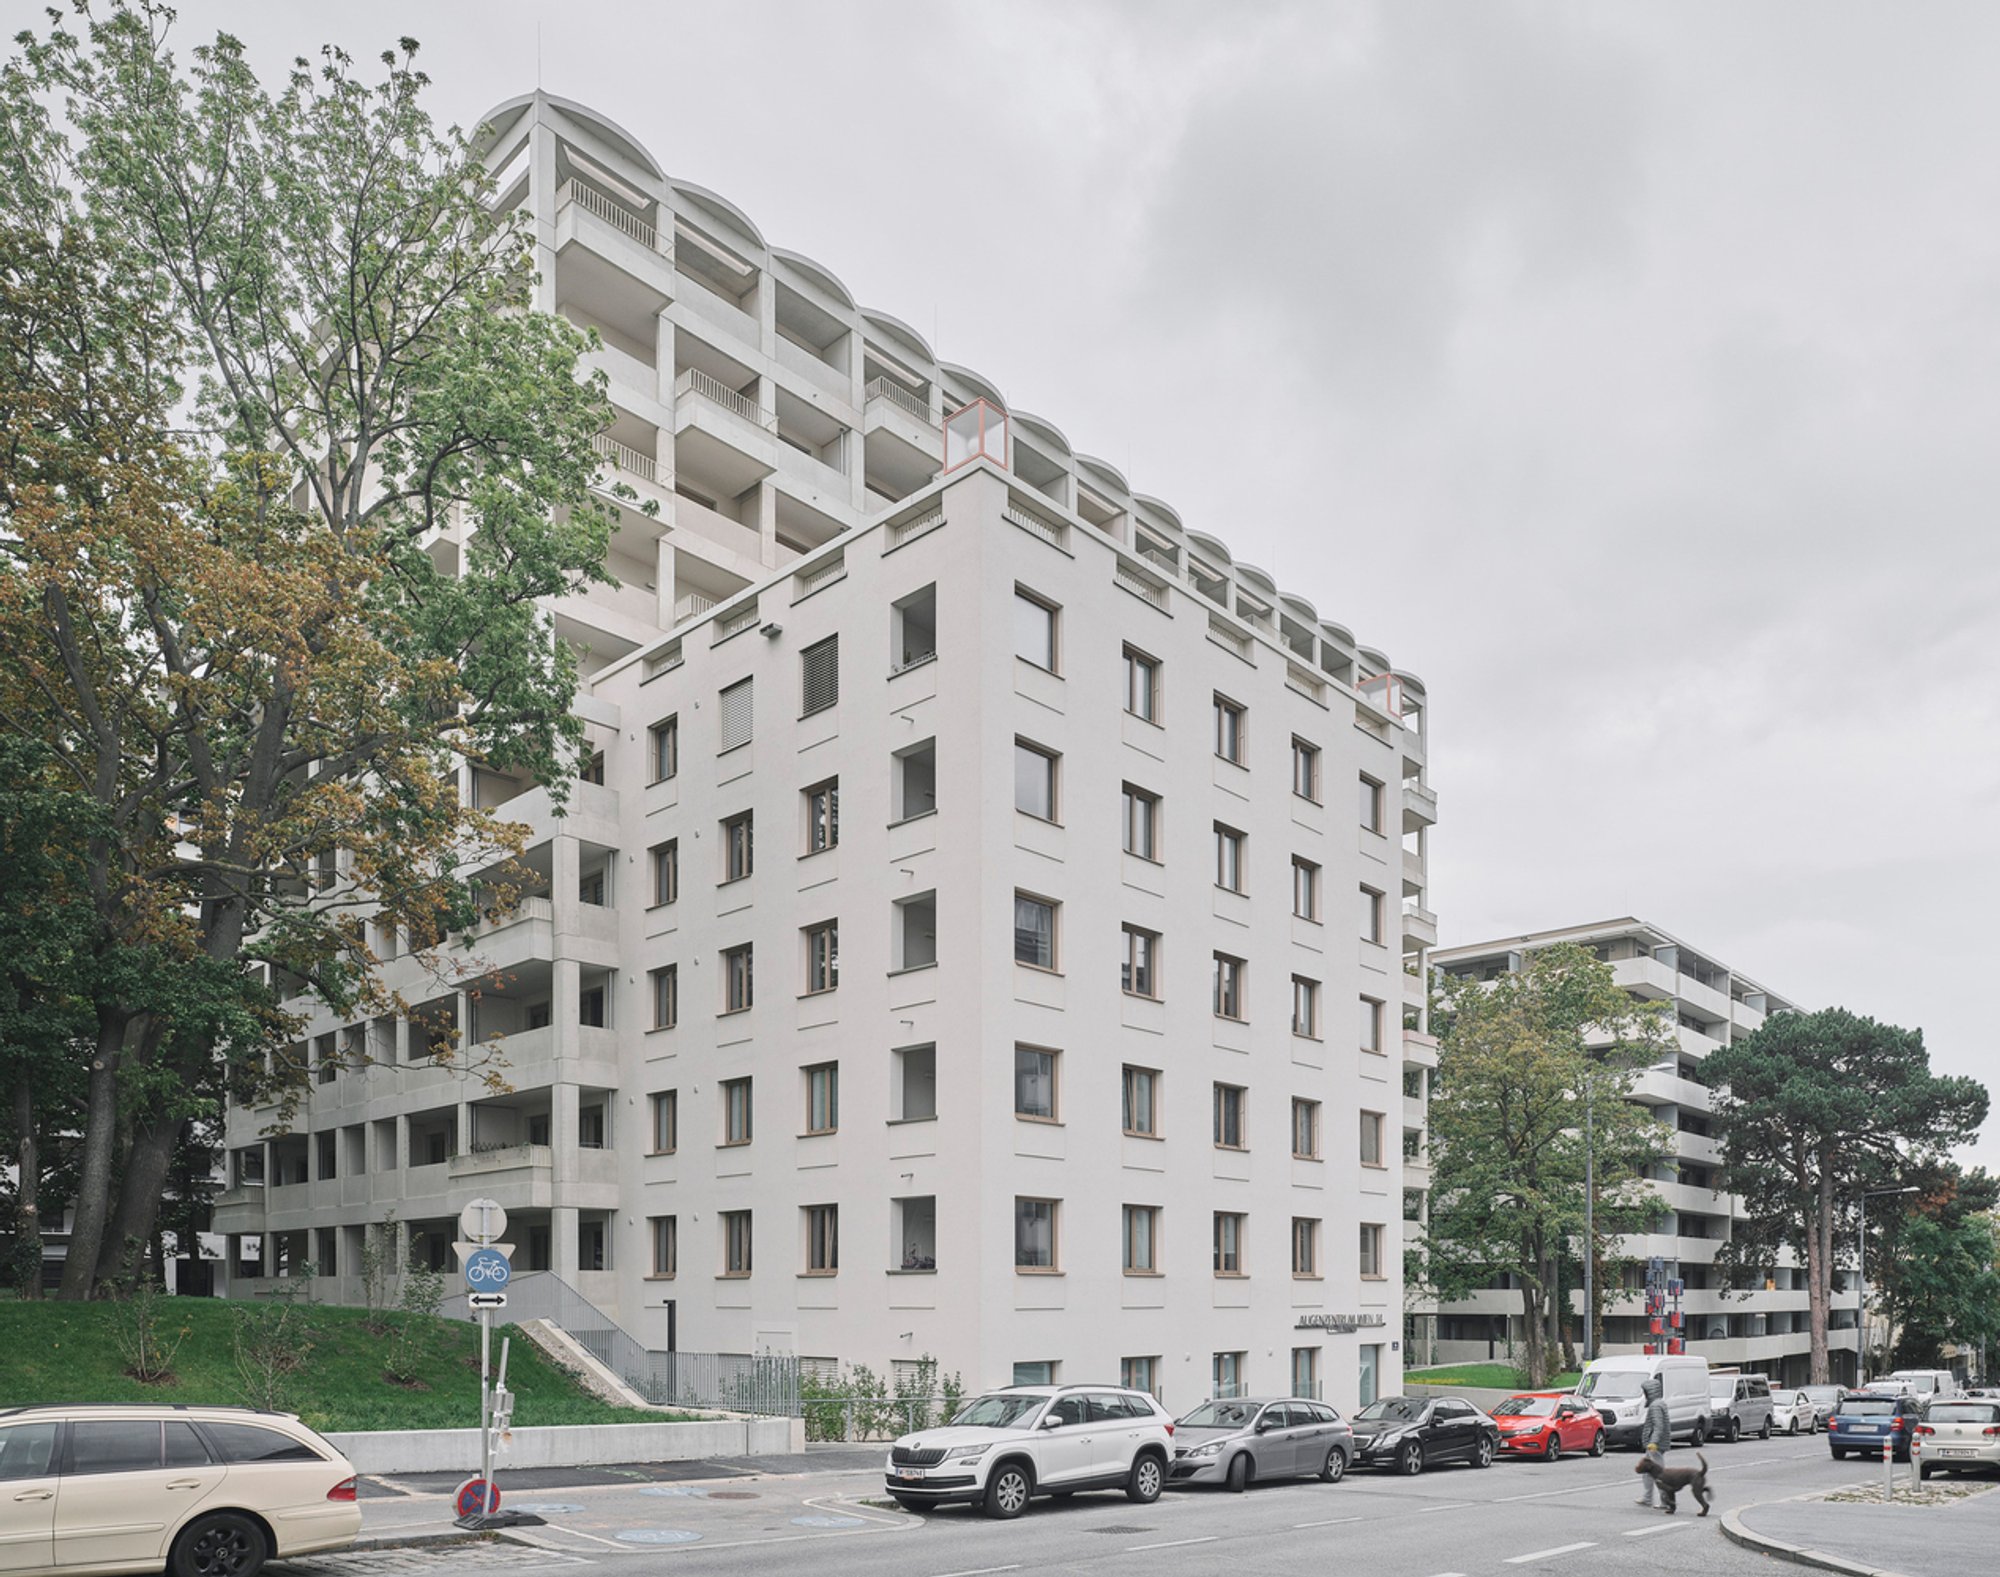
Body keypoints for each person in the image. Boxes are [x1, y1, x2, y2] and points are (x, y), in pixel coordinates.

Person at [1636, 1376, 1671, 1507]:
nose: (1644, 1395)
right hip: (1655, 1444)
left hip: (1654, 1445)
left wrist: (1653, 1442)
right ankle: (1647, 1497)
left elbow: (1658, 1425)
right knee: (1647, 1472)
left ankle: (1665, 1501)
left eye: (1646, 1392)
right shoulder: (1659, 1403)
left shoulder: (1655, 1406)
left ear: (1651, 1392)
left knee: (1659, 1473)